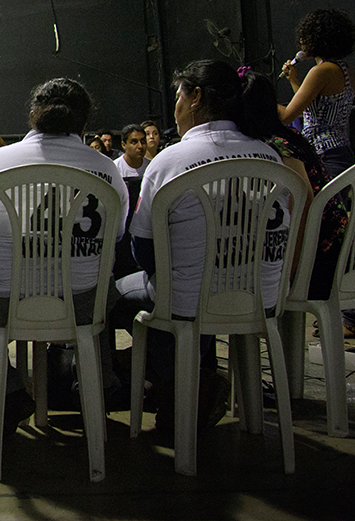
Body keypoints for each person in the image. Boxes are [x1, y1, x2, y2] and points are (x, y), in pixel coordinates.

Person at [112, 60, 286, 431]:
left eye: (178, 96)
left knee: (119, 299)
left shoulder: (171, 161)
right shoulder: (269, 156)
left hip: (190, 298)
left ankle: (179, 388)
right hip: (261, 295)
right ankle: (198, 380)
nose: (175, 106)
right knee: (176, 298)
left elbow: (142, 249)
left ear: (196, 98)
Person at [0, 78, 129, 428]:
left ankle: (10, 390)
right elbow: (115, 240)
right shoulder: (107, 170)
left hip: (4, 301)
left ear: (33, 116)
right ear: (84, 125)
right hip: (82, 306)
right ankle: (97, 386)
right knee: (102, 285)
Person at [239, 71, 349, 302]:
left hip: (320, 259)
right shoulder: (289, 135)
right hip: (334, 249)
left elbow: (303, 200)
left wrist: (292, 269)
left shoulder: (278, 146)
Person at [279, 8, 355, 179]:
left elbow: (286, 116)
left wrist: (258, 96)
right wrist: (294, 81)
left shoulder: (320, 72)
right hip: (341, 152)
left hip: (325, 156)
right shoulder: (344, 69)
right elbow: (314, 109)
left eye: (305, 36)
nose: (301, 41)